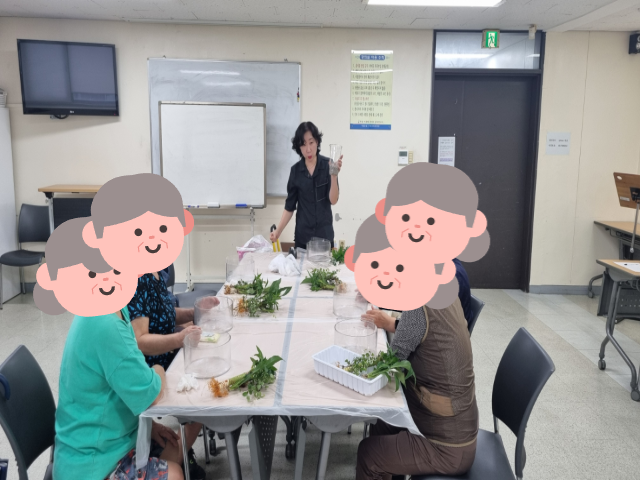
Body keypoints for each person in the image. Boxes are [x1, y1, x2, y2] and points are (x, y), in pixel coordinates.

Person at [33, 218, 185, 480]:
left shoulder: (112, 307)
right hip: (92, 465)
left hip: (104, 444)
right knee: (174, 473)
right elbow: (150, 393)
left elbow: (119, 386)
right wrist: (159, 369)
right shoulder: (105, 324)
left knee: (175, 445)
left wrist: (148, 427)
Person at [359, 300, 478, 479]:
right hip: (445, 423)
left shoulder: (419, 305)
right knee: (383, 421)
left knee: (369, 455)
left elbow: (393, 360)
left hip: (447, 445)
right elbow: (417, 330)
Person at [128, 271, 214, 480]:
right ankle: (178, 456)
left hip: (166, 356)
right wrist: (178, 339)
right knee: (202, 393)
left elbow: (163, 312)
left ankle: (179, 453)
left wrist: (195, 312)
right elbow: (139, 341)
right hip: (153, 364)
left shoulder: (156, 274)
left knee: (209, 367)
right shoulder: (139, 279)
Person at [270, 121, 343, 250]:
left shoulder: (328, 165)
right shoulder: (295, 171)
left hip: (324, 238)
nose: (308, 149)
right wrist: (278, 232)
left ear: (317, 142)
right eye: (303, 144)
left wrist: (334, 176)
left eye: (311, 142)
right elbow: (289, 207)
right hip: (303, 239)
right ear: (299, 147)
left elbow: (333, 200)